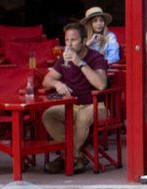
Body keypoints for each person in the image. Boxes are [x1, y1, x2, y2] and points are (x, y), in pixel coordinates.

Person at [41, 21, 109, 174]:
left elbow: (101, 84)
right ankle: (75, 157)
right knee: (49, 115)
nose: (69, 44)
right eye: (66, 40)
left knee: (82, 118)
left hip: (96, 106)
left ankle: (66, 158)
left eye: (73, 40)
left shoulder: (95, 57)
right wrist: (57, 84)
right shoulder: (64, 58)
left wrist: (80, 63)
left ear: (84, 41)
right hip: (72, 106)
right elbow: (47, 80)